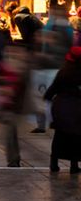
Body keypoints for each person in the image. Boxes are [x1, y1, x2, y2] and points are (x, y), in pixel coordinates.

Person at [33, 9, 74, 134]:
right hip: (49, 67)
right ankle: (45, 123)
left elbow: (66, 48)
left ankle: (46, 123)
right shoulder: (57, 27)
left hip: (53, 67)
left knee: (46, 96)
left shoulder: (63, 29)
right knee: (44, 96)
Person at [43, 46, 81, 174]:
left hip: (60, 107)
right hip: (76, 109)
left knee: (59, 136)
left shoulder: (62, 71)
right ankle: (74, 165)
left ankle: (54, 164)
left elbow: (51, 91)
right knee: (76, 138)